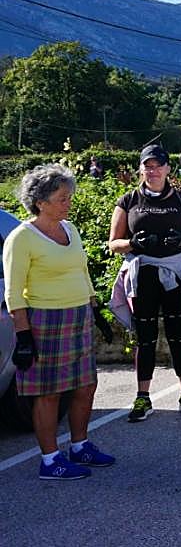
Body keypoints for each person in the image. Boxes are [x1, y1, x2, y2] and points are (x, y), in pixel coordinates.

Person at [2, 164, 115, 480]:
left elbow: (82, 271)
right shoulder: (22, 238)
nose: (68, 203)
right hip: (45, 321)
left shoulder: (71, 230)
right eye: (62, 198)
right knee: (49, 392)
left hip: (77, 316)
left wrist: (95, 309)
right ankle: (50, 460)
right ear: (41, 202)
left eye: (69, 196)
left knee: (85, 385)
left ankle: (80, 447)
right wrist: (23, 336)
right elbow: (13, 292)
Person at [107, 144, 181, 422]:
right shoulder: (128, 200)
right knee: (145, 337)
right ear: (141, 168)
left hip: (174, 273)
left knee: (177, 334)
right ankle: (142, 397)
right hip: (143, 274)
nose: (153, 171)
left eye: (158, 165)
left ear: (168, 169)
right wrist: (132, 242)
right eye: (148, 166)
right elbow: (113, 243)